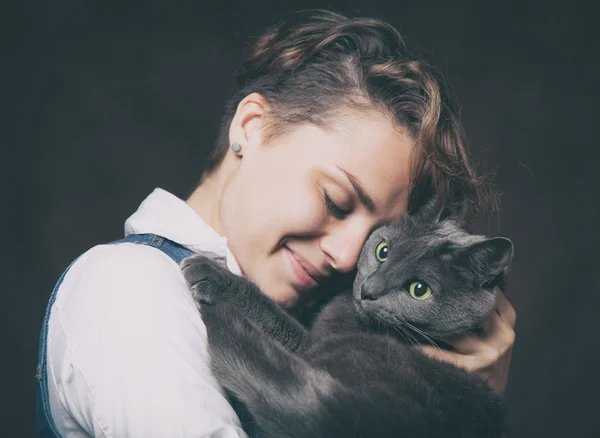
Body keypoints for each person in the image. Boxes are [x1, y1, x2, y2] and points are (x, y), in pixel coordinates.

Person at [36, 10, 516, 438]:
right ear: (253, 128)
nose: (349, 257)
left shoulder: (330, 327)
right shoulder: (133, 289)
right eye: (336, 199)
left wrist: (464, 402)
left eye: (376, 239)